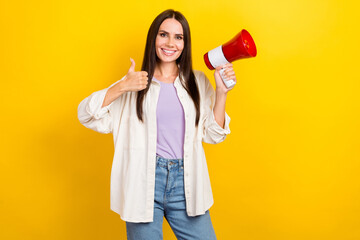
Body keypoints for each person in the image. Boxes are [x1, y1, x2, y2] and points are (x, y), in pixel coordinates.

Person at [77, 9, 236, 240]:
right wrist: (122, 86)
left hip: (187, 182)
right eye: (163, 34)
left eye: (178, 37)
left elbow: (214, 135)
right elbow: (86, 114)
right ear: (153, 39)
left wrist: (222, 93)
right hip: (143, 182)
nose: (170, 42)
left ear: (185, 43)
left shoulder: (197, 81)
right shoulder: (134, 82)